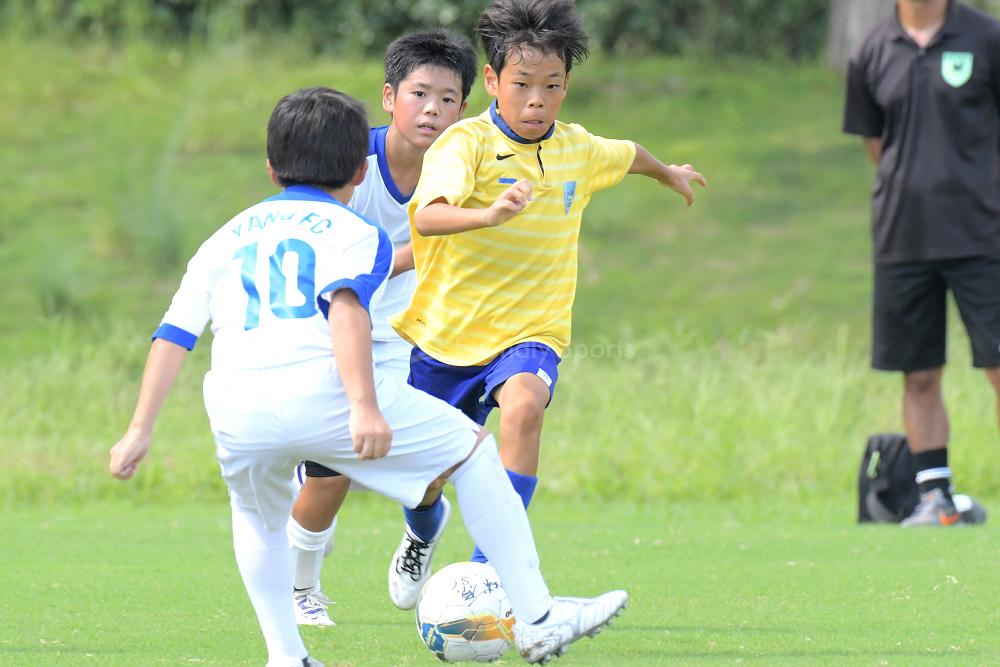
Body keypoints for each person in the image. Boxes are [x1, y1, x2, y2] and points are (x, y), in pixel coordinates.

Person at [108, 86, 628, 666]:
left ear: (271, 167)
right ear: (360, 171)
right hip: (322, 396)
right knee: (476, 455)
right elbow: (349, 309)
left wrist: (138, 430)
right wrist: (363, 405)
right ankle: (536, 618)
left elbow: (174, 334)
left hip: (236, 410)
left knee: (256, 519)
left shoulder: (223, 237)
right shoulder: (357, 233)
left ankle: (286, 655)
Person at [383, 0, 707, 608]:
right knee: (425, 482)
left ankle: (491, 572)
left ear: (567, 87)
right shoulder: (465, 144)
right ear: (491, 82)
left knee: (525, 407)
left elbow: (628, 152)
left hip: (531, 331)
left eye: (552, 87)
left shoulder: (577, 149)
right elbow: (426, 217)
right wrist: (489, 213)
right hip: (445, 336)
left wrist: (667, 173)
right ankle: (422, 529)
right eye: (523, 85)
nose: (537, 101)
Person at [286, 28, 478, 628]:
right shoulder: (349, 165)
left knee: (429, 474)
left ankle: (423, 531)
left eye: (448, 99)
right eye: (420, 94)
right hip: (334, 328)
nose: (433, 110)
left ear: (464, 109)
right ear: (390, 96)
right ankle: (303, 591)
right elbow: (328, 257)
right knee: (331, 471)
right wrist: (406, 253)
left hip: (418, 335)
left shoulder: (472, 169)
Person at [843, 0, 1000, 526]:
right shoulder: (870, 50)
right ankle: (937, 500)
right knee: (918, 375)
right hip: (903, 240)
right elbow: (875, 144)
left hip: (985, 234)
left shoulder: (987, 37)